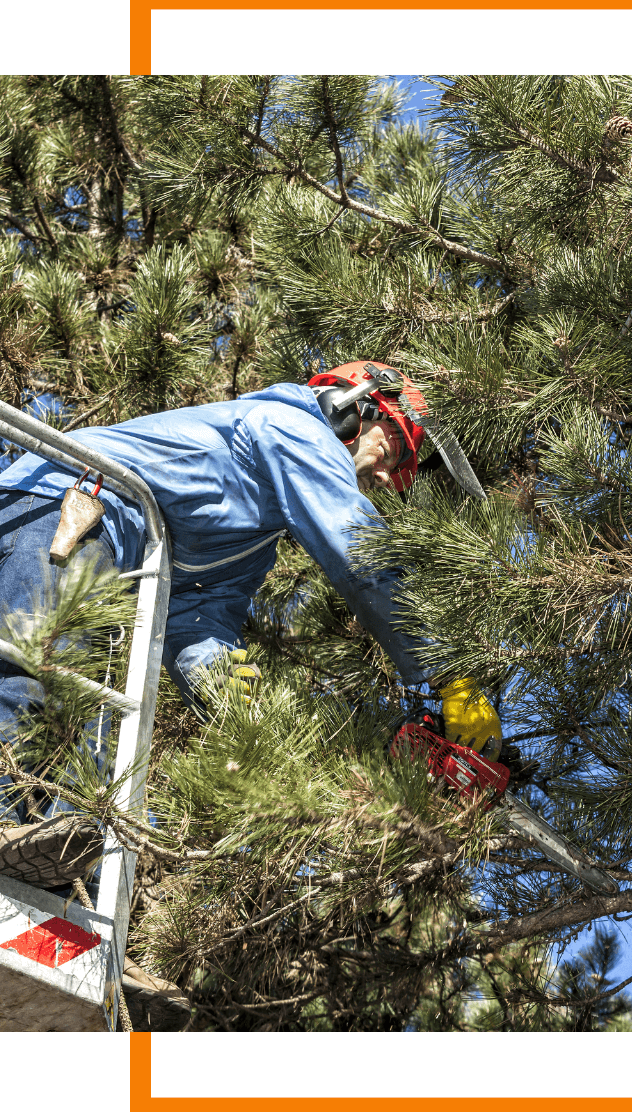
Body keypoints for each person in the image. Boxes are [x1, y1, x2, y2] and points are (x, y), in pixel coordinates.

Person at [0, 361, 502, 887]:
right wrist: (451, 675)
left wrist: (234, 700)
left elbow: (195, 617)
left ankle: (36, 878)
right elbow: (362, 551)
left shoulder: (251, 533)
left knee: (81, 742)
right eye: (393, 452)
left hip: (89, 534)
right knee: (40, 671)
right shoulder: (291, 428)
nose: (384, 477)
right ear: (353, 409)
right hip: (59, 509)